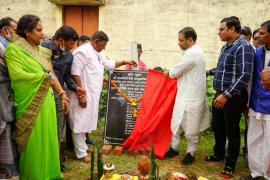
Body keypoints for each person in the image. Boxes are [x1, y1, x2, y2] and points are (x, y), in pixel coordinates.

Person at [5, 14, 69, 179]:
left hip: (46, 99)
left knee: (48, 137)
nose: (43, 33)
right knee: (33, 142)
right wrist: (43, 78)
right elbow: (18, 76)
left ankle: (50, 173)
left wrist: (62, 93)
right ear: (27, 31)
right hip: (29, 102)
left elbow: (50, 73)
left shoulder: (41, 50)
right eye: (39, 30)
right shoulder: (14, 50)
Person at [69, 30, 137, 163]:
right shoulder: (82, 52)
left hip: (92, 94)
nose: (104, 47)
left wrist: (125, 61)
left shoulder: (97, 52)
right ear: (95, 42)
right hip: (82, 93)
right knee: (79, 122)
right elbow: (75, 73)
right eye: (103, 45)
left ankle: (83, 146)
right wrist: (81, 94)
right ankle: (81, 153)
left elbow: (108, 64)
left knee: (85, 121)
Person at [205, 16, 254, 178]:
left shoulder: (243, 46)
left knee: (232, 132)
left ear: (232, 29)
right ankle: (218, 154)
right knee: (218, 127)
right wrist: (206, 73)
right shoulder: (227, 46)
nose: (218, 32)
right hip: (220, 94)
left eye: (221, 29)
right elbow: (222, 69)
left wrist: (225, 95)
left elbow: (245, 75)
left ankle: (230, 164)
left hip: (233, 97)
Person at [163, 27, 209, 165]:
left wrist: (167, 73)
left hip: (193, 96)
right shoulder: (190, 51)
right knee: (176, 121)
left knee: (191, 126)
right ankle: (174, 147)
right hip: (184, 94)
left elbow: (175, 72)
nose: (179, 43)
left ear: (190, 40)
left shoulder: (193, 53)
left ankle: (191, 152)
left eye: (181, 40)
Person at [42, 25, 81, 171]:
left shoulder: (68, 56)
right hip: (42, 94)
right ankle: (44, 159)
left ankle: (56, 161)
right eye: (70, 43)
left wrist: (77, 88)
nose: (72, 47)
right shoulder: (42, 48)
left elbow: (66, 77)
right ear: (60, 40)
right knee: (45, 127)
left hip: (59, 96)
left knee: (59, 129)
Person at [241, 20, 270, 180]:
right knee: (253, 140)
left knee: (269, 145)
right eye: (258, 32)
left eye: (263, 33)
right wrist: (247, 104)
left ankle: (267, 175)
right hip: (255, 104)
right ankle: (255, 173)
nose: (258, 35)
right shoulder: (257, 52)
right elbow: (251, 80)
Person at [0, 17, 18, 179]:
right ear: (5, 30)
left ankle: (7, 168)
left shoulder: (8, 47)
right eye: (14, 31)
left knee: (6, 134)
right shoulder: (4, 48)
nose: (16, 34)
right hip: (2, 97)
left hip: (5, 96)